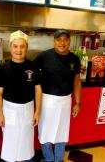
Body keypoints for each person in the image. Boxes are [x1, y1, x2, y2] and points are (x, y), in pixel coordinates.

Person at [34, 29, 81, 162]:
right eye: (59, 39)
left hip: (65, 102)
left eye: (65, 39)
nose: (62, 43)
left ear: (69, 41)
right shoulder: (43, 56)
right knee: (45, 132)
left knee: (62, 133)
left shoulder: (74, 59)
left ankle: (59, 159)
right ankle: (49, 158)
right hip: (46, 101)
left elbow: (77, 81)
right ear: (54, 41)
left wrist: (78, 102)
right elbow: (31, 73)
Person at [0, 30, 42, 162]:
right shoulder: (4, 68)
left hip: (28, 110)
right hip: (9, 110)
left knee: (25, 143)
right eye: (15, 46)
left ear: (26, 48)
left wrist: (37, 112)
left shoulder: (32, 67)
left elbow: (38, 90)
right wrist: (0, 114)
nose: (19, 50)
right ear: (10, 48)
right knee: (10, 143)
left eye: (22, 46)